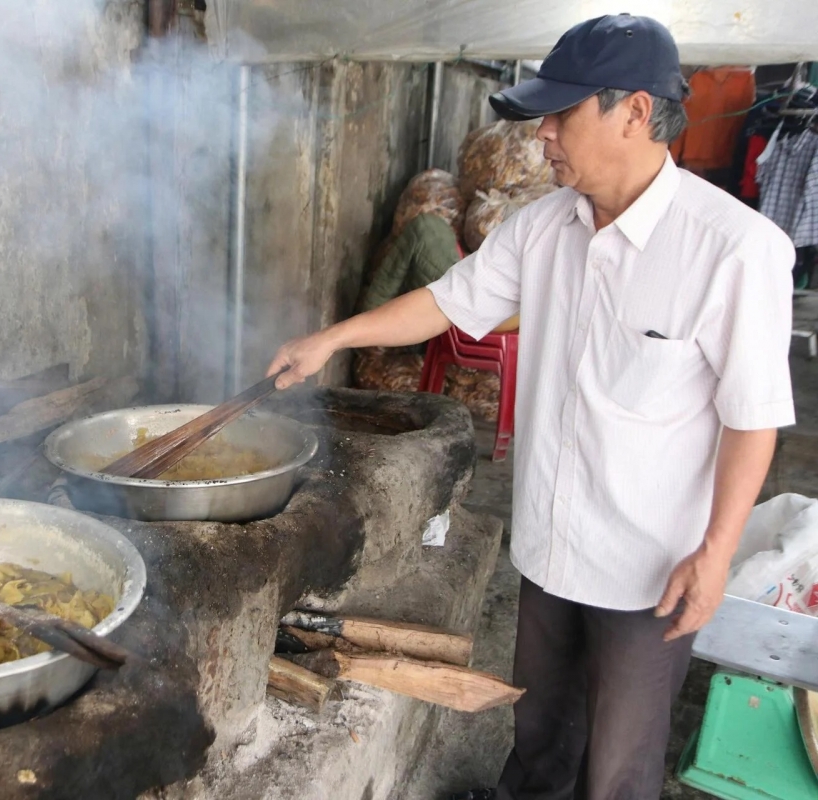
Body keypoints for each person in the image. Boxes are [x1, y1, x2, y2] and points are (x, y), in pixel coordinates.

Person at [267, 14, 795, 800]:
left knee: (617, 763)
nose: (542, 134)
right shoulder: (545, 225)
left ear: (635, 112)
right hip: (551, 545)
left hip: (651, 567)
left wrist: (717, 554)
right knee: (541, 729)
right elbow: (445, 303)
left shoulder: (734, 249)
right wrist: (331, 338)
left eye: (561, 114)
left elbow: (752, 417)